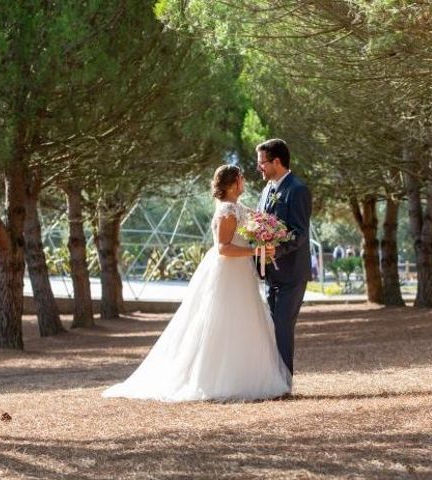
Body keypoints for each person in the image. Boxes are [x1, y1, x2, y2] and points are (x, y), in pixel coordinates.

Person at [102, 165, 290, 402]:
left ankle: (243, 375)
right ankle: (217, 380)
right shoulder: (228, 210)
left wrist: (269, 234)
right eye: (241, 178)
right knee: (223, 321)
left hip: (241, 272)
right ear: (232, 184)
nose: (244, 181)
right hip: (228, 272)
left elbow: (256, 226)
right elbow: (223, 248)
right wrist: (256, 249)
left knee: (243, 321)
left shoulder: (239, 207)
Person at [257, 138, 312, 381]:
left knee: (282, 326)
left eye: (262, 163)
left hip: (292, 274)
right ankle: (273, 380)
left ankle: (284, 381)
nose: (260, 167)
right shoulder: (266, 190)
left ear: (276, 161)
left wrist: (276, 251)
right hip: (270, 274)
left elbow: (300, 233)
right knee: (270, 328)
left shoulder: (298, 189)